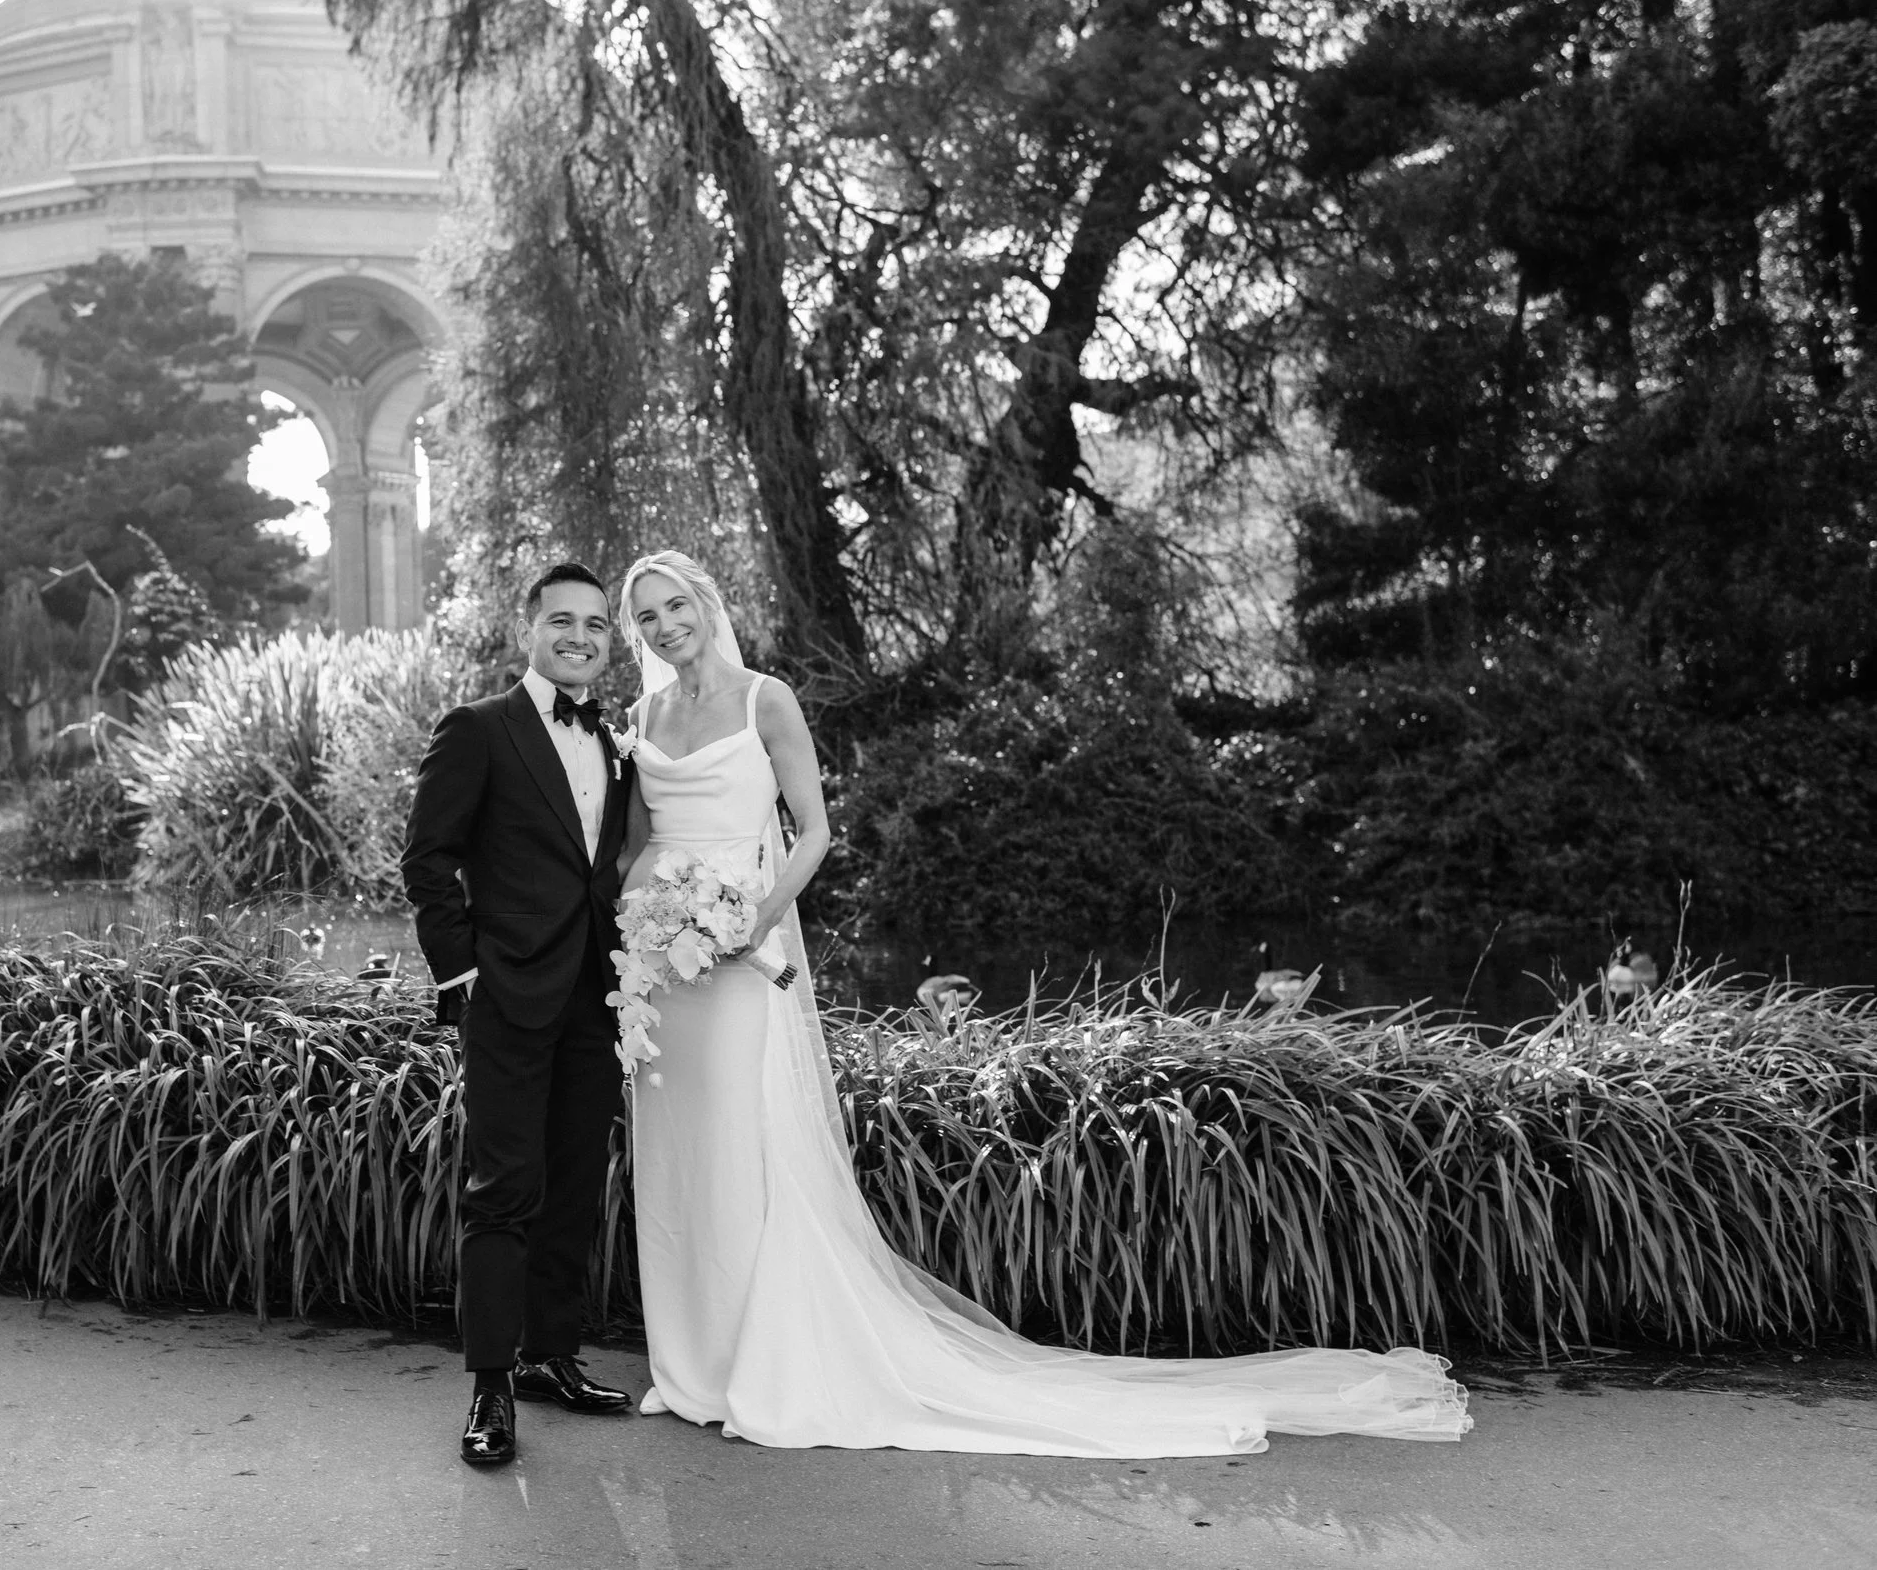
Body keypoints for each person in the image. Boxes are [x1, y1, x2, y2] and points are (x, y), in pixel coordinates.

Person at [614, 550, 1473, 1456]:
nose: (667, 626)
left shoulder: (766, 700)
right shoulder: (645, 713)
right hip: (669, 972)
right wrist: (641, 930)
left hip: (748, 957)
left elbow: (815, 830)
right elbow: (641, 842)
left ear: (706, 604)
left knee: (745, 1150)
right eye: (649, 618)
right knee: (679, 1155)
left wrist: (756, 919)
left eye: (677, 606)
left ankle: (761, 1361)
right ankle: (690, 1369)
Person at [401, 562, 640, 1467]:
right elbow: (428, 858)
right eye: (562, 621)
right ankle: (491, 1385)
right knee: (501, 1190)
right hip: (504, 993)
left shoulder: (614, 743)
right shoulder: (480, 728)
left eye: (595, 625)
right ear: (528, 628)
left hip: (596, 995)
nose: (580, 637)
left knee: (575, 1182)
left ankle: (550, 1356)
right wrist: (461, 975)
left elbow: (605, 873)